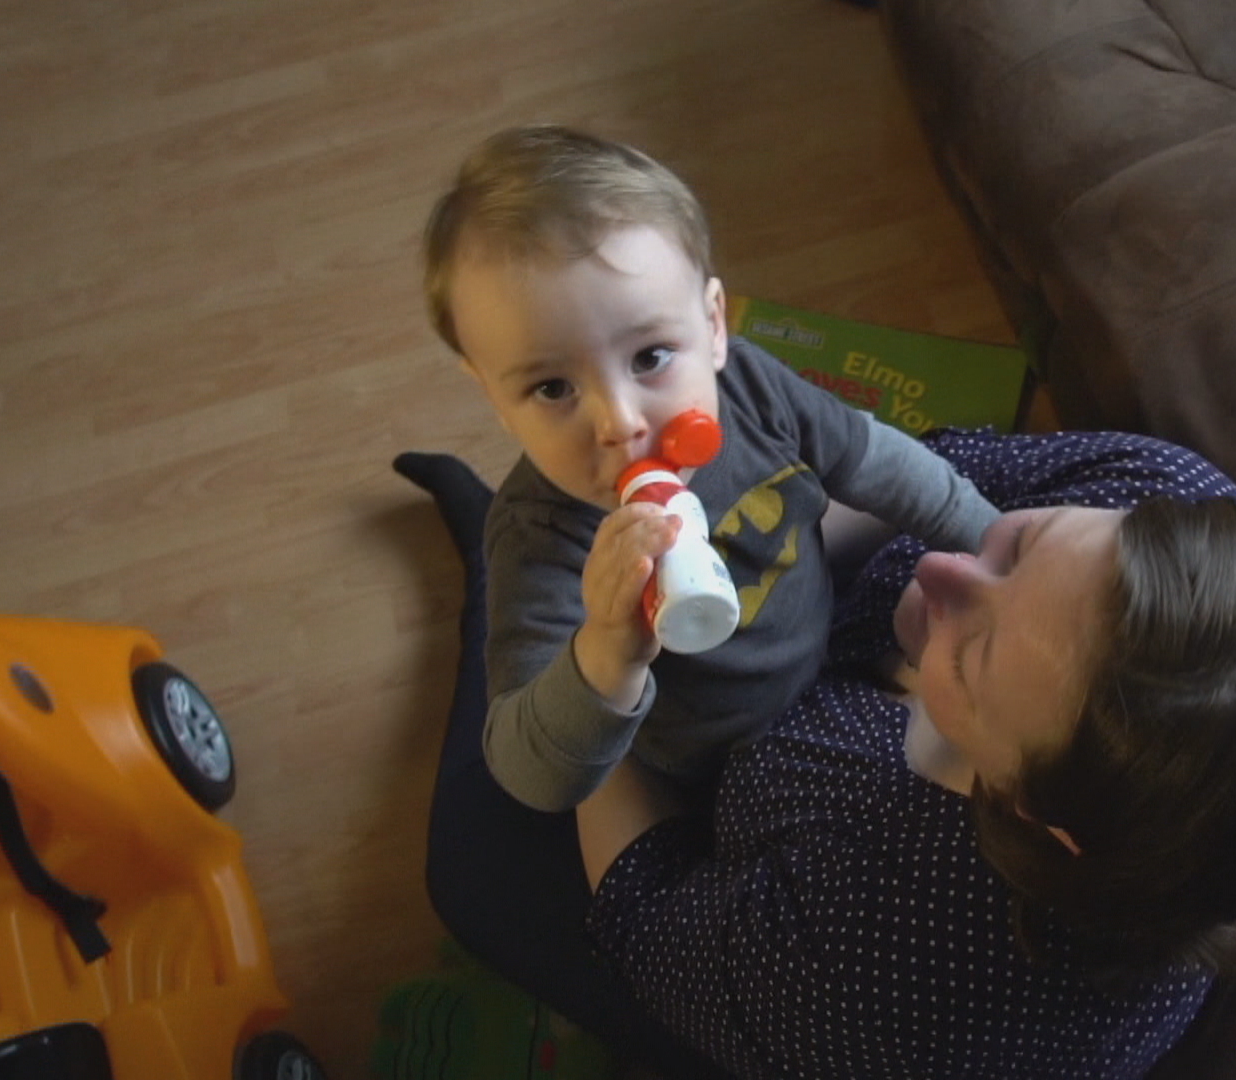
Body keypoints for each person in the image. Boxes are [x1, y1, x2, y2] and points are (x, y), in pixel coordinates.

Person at [396, 427, 1236, 1079]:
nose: (943, 575)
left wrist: (596, 675)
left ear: (1030, 805)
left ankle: (491, 557)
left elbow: (648, 907)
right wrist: (733, 549)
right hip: (797, 723)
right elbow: (939, 477)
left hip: (754, 941)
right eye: (1020, 547)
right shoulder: (1163, 489)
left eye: (980, 646)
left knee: (478, 858)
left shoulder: (897, 966)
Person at [421, 125, 999, 815]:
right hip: (719, 767)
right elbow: (529, 776)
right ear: (495, 400)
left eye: (650, 358)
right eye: (552, 389)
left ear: (715, 328)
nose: (620, 422)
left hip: (825, 641)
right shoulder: (543, 536)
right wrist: (609, 648)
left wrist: (997, 546)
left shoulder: (753, 387)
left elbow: (880, 461)